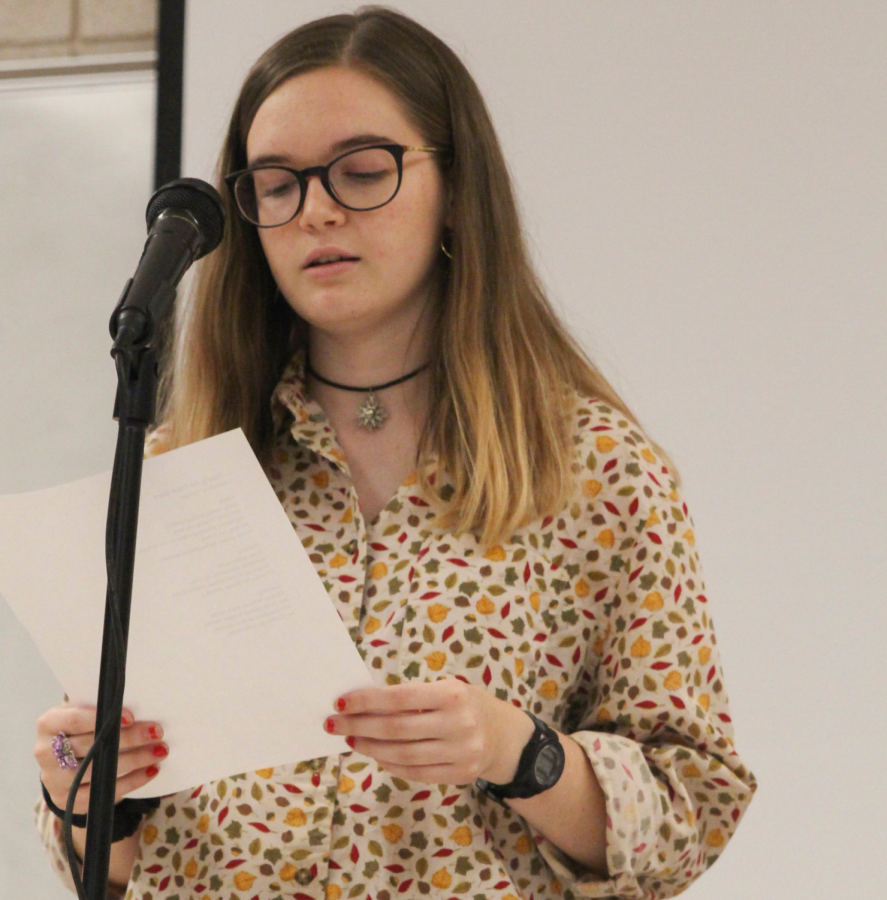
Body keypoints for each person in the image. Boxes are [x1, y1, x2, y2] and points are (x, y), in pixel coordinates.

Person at [35, 8, 755, 899]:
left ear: (455, 188)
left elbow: (690, 809)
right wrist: (81, 788)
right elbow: (102, 867)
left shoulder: (596, 471)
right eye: (277, 184)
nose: (317, 210)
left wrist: (516, 752)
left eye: (363, 172)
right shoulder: (172, 473)